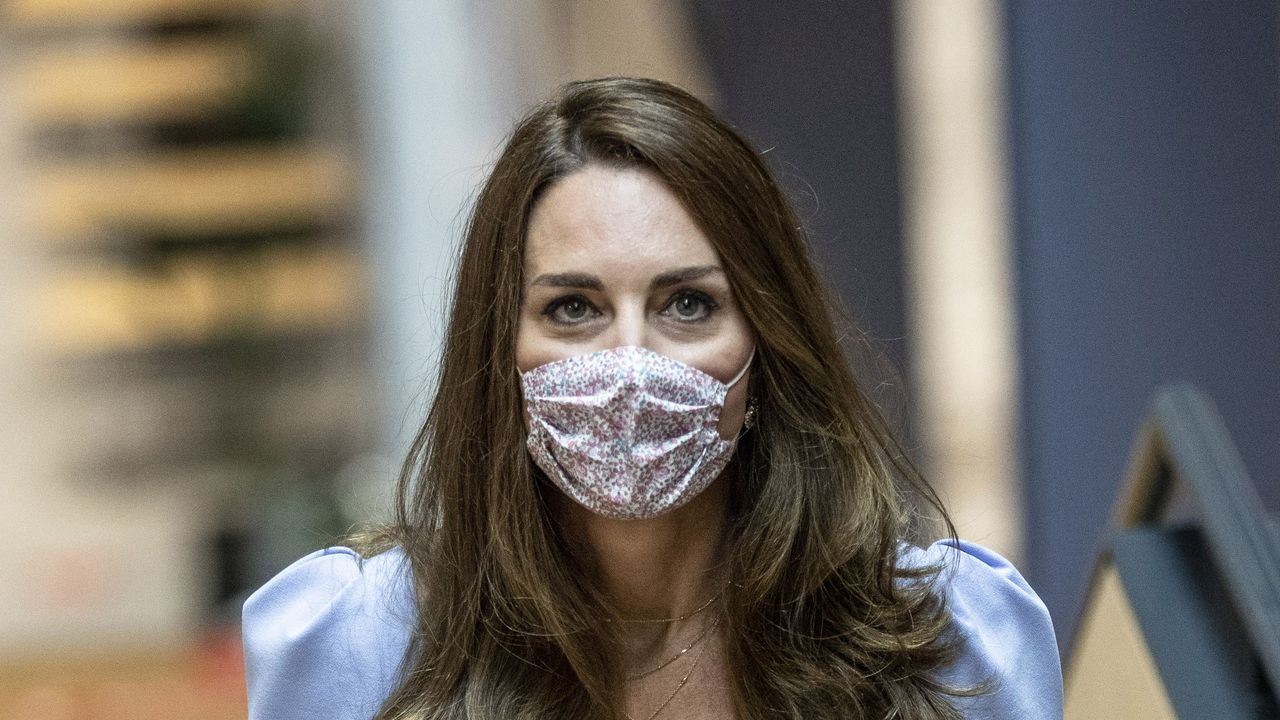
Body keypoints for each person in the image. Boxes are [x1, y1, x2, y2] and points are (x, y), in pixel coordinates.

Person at [242, 77, 1062, 720]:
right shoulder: (361, 645)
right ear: (500, 353)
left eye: (687, 304)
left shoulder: (947, 642)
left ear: (766, 348)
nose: (629, 362)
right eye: (573, 308)